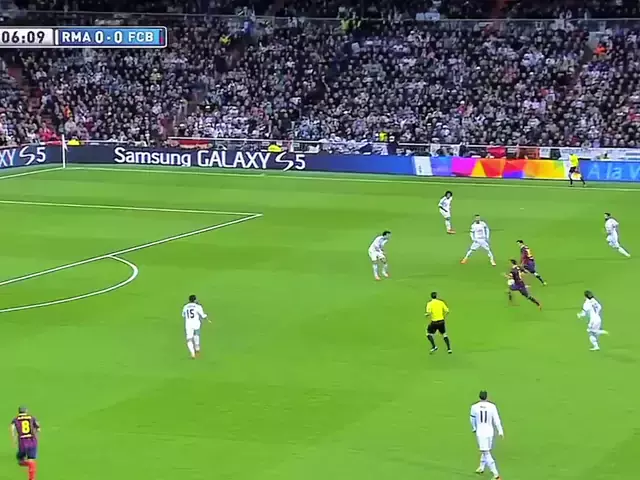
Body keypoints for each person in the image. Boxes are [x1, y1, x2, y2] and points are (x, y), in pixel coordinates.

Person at [470, 391, 504, 479]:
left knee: (486, 452)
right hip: (490, 432)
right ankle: (481, 467)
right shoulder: (492, 406)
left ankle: (496, 475)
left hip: (481, 433)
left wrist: (474, 428)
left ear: (479, 397)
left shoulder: (474, 407)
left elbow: (472, 419)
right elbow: (497, 420)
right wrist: (500, 431)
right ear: (487, 397)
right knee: (486, 450)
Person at [10, 406, 40, 480]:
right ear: (26, 411)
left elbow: (12, 430)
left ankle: (27, 464)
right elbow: (38, 428)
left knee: (20, 459)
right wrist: (35, 435)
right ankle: (31, 477)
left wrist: (14, 439)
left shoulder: (15, 419)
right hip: (32, 440)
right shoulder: (32, 418)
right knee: (31, 460)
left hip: (22, 441)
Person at [182, 294, 208, 359]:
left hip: (188, 324)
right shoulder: (198, 306)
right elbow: (203, 315)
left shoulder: (185, 306)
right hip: (196, 323)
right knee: (196, 334)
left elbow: (183, 315)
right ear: (195, 300)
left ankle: (192, 353)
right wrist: (206, 317)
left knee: (189, 339)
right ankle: (197, 348)